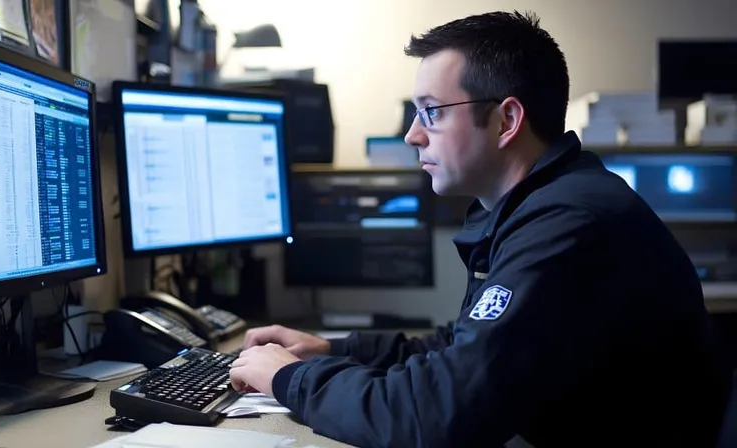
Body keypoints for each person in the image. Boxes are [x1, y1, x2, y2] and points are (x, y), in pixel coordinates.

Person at [229, 10, 732, 448]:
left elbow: (432, 418)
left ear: (506, 120)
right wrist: (333, 349)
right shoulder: (544, 204)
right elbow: (467, 352)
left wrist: (289, 377)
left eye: (431, 111)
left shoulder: (569, 224)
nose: (412, 134)